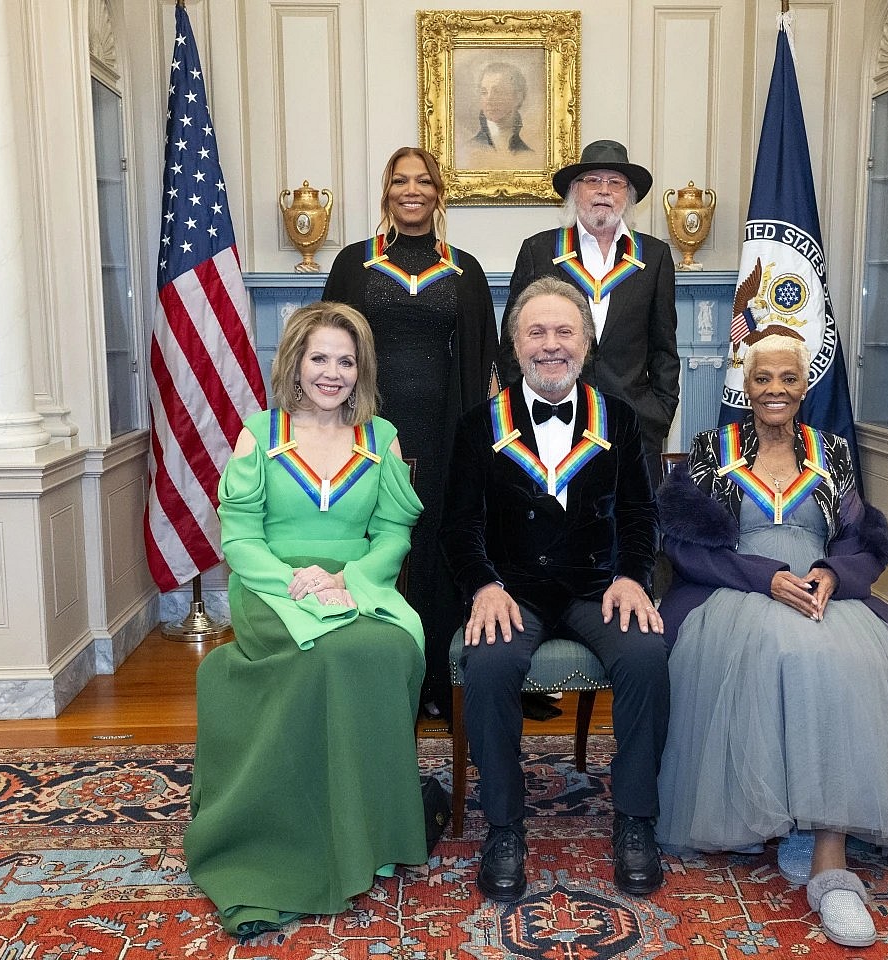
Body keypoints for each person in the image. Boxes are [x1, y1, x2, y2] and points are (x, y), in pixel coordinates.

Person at [653, 328, 888, 948]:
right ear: (746, 386)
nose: (775, 390)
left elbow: (861, 541)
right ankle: (770, 808)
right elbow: (685, 548)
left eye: (788, 378)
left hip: (822, 592)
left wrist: (830, 574)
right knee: (787, 652)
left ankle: (830, 853)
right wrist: (765, 578)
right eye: (763, 378)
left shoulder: (835, 454)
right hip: (733, 590)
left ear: (805, 386)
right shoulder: (711, 450)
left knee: (859, 659)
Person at [184, 302, 428, 937]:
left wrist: (350, 580)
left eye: (346, 361)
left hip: (359, 585)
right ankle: (294, 831)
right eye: (320, 358)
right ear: (294, 363)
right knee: (326, 655)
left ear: (361, 370)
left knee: (390, 649)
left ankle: (369, 826)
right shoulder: (259, 436)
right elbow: (238, 539)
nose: (333, 372)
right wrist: (295, 583)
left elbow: (395, 531)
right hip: (273, 588)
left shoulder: (383, 438)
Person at [442, 276, 671, 903]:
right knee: (487, 665)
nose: (551, 345)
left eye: (564, 331)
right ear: (515, 346)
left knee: (648, 657)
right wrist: (483, 586)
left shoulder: (618, 420)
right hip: (511, 590)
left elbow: (639, 515)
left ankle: (635, 819)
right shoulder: (477, 425)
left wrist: (632, 576)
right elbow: (457, 527)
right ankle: (505, 827)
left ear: (586, 344)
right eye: (536, 332)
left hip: (597, 587)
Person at [324, 146, 499, 721]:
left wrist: (480, 446)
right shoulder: (356, 264)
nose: (412, 190)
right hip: (369, 429)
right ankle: (378, 678)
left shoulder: (464, 269)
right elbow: (326, 350)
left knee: (434, 546)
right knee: (380, 544)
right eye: (401, 181)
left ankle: (436, 681)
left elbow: (482, 359)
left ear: (438, 192)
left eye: (424, 181)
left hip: (446, 433)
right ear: (386, 192)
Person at [503, 139, 679, 483]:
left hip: (634, 425)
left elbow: (664, 350)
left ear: (627, 195)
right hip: (553, 421)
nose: (604, 190)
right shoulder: (539, 251)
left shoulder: (654, 256)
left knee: (630, 527)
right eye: (593, 181)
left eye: (615, 183)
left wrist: (658, 413)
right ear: (574, 190)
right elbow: (513, 344)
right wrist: (523, 414)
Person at [469, 61, 534, 155]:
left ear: (518, 97)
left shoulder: (529, 154)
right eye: (484, 92)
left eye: (497, 92)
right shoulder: (469, 149)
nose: (489, 100)